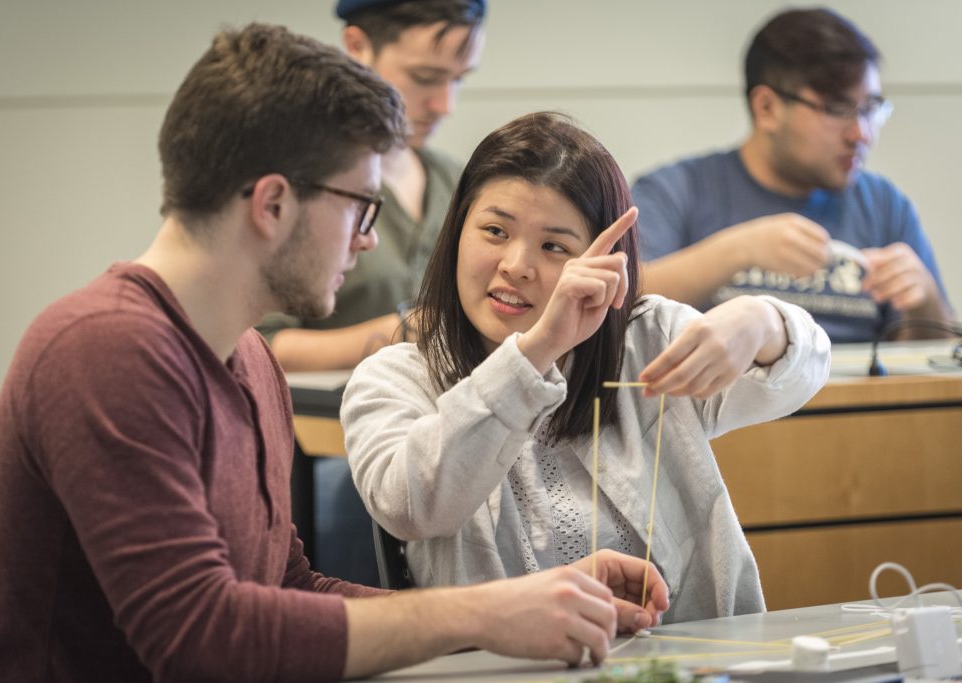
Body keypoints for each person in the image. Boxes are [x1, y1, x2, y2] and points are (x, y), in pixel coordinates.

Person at [0, 27, 668, 683]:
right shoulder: (106, 350)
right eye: (362, 205)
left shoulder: (249, 358)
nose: (365, 240)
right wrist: (484, 615)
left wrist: (532, 603)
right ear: (273, 204)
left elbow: (289, 591)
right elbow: (199, 637)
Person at [341, 112, 831, 624]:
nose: (517, 265)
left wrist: (760, 321)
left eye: (554, 246)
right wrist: (539, 348)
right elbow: (413, 507)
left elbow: (800, 373)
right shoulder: (394, 377)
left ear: (604, 259)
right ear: (457, 231)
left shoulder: (643, 341)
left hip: (687, 660)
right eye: (494, 231)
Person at [632, 7, 954, 344]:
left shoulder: (884, 204)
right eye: (837, 109)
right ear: (767, 108)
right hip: (720, 396)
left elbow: (933, 361)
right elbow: (620, 308)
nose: (862, 133)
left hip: (862, 395)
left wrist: (925, 299)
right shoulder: (676, 191)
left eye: (870, 109)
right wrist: (737, 251)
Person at [258, 0, 486, 369]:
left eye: (459, 78)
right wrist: (404, 332)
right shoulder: (301, 180)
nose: (445, 104)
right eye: (425, 77)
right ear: (357, 46)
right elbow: (255, 345)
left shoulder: (455, 179)